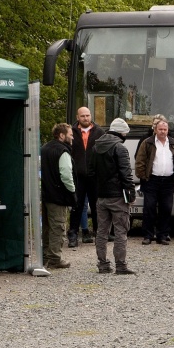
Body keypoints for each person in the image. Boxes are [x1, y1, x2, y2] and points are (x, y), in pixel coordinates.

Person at [87, 118, 137, 275]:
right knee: (121, 230)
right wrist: (131, 193)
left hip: (101, 196)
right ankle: (120, 265)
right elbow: (126, 174)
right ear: (121, 132)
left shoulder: (95, 147)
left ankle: (102, 265)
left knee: (101, 231)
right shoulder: (119, 148)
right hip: (117, 196)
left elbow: (91, 173)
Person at [135, 117, 174, 246]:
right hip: (151, 180)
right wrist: (143, 177)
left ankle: (162, 235)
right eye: (160, 129)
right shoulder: (147, 143)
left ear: (168, 130)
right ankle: (147, 235)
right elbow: (140, 161)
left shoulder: (173, 143)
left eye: (165, 129)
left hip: (168, 181)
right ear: (155, 130)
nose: (163, 131)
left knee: (166, 208)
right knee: (149, 208)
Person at [40, 123, 76, 271]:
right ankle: (54, 258)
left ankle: (46, 256)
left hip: (46, 194)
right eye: (70, 134)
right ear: (62, 135)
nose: (72, 137)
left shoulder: (45, 148)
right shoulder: (63, 151)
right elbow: (66, 174)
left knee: (48, 227)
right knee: (58, 227)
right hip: (58, 195)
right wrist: (73, 192)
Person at [69, 107, 104, 247]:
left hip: (94, 175)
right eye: (82, 116)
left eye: (88, 115)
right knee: (76, 205)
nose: (85, 118)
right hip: (78, 176)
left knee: (97, 206)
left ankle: (99, 234)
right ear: (78, 117)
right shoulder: (70, 132)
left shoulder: (99, 132)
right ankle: (73, 234)